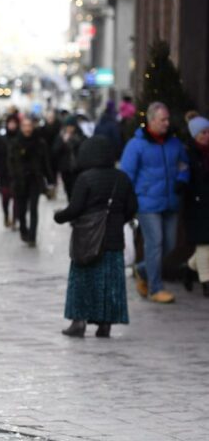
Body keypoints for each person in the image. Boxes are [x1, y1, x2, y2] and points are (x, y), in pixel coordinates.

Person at [54, 136, 138, 338]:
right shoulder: (122, 178)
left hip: (88, 240)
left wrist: (59, 216)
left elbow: (75, 209)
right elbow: (132, 208)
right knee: (110, 284)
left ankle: (79, 322)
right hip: (113, 241)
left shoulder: (85, 178)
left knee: (83, 282)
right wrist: (117, 220)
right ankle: (105, 325)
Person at [120, 101, 189, 304]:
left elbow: (184, 165)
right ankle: (155, 288)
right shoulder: (136, 145)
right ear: (151, 120)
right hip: (147, 203)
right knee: (155, 243)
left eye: (168, 119)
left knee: (169, 245)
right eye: (163, 119)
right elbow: (127, 174)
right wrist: (128, 201)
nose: (167, 123)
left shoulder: (174, 143)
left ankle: (142, 270)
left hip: (170, 201)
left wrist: (183, 180)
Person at [9, 118, 54, 247]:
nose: (27, 129)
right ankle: (24, 230)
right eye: (25, 126)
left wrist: (50, 180)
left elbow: (46, 163)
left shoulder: (40, 143)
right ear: (21, 128)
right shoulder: (15, 143)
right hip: (20, 180)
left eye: (29, 126)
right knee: (21, 210)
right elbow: (10, 162)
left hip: (35, 179)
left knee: (34, 208)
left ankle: (32, 236)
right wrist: (12, 177)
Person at [184, 116, 209, 297]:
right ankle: (206, 282)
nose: (207, 136)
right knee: (204, 244)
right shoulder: (188, 153)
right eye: (203, 132)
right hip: (196, 204)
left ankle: (189, 267)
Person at [0, 113, 20, 228]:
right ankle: (6, 215)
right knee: (5, 197)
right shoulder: (1, 138)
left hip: (17, 174)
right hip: (4, 173)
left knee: (16, 198)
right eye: (10, 123)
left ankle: (14, 219)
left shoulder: (20, 138)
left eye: (14, 123)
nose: (12, 125)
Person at [52, 116, 85, 201]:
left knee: (76, 190)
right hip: (65, 168)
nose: (69, 129)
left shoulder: (80, 136)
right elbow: (55, 151)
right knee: (68, 189)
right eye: (68, 127)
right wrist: (63, 142)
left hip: (77, 168)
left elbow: (84, 148)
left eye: (71, 127)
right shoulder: (61, 136)